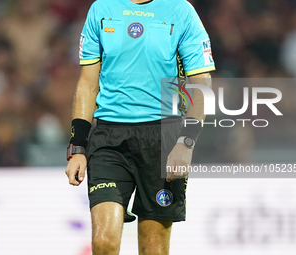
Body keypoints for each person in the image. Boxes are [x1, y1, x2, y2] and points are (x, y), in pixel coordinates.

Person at [65, 0, 215, 254]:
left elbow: (201, 82)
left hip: (163, 136)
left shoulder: (180, 11)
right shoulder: (102, 9)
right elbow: (88, 83)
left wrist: (186, 141)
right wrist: (78, 146)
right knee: (103, 242)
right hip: (108, 138)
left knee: (153, 248)